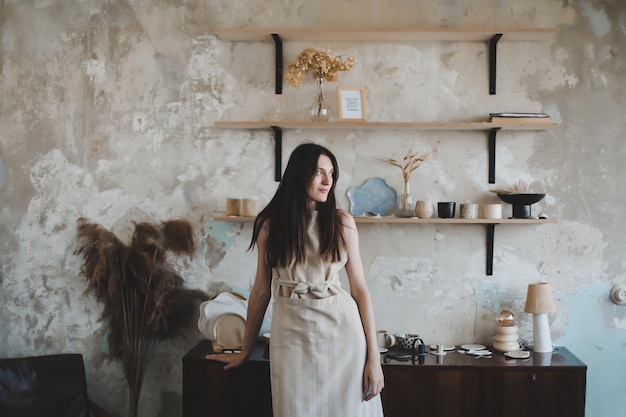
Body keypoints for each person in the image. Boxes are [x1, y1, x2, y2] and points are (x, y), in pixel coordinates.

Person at [206, 143, 384, 417]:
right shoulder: (270, 224)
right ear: (299, 175)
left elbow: (360, 290)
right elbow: (262, 291)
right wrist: (244, 350)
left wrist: (374, 358)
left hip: (343, 334)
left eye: (332, 173)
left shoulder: (342, 222)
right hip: (290, 334)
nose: (328, 181)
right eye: (319, 173)